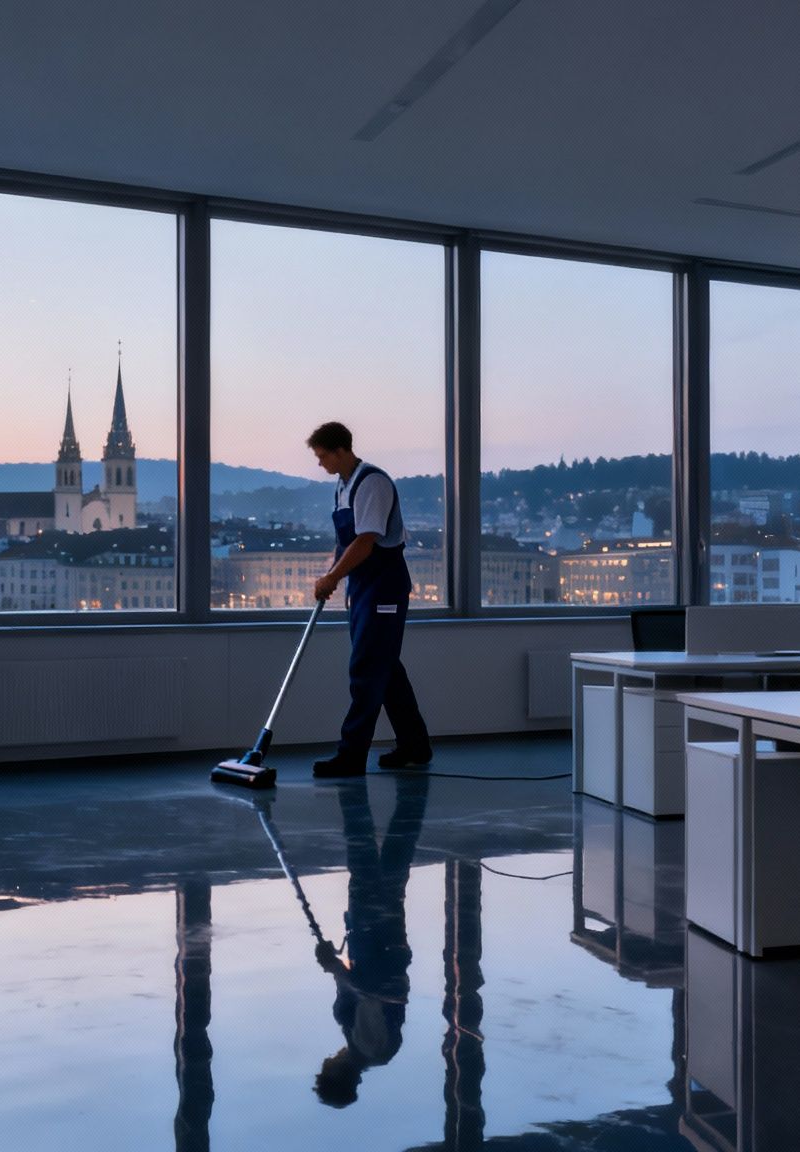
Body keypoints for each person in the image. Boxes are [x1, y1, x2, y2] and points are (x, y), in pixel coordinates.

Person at [307, 422, 432, 777]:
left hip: (385, 585)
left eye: (322, 457)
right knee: (386, 668)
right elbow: (345, 543)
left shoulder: (372, 483)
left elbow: (366, 541)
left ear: (340, 450)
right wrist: (335, 578)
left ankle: (351, 755)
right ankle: (415, 746)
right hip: (362, 587)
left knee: (366, 667)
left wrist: (333, 576)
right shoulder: (342, 487)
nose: (320, 464)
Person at [314, 773, 429, 1107]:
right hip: (375, 933)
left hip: (381, 937)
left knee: (393, 862)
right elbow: (373, 993)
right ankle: (353, 792)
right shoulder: (371, 1049)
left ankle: (412, 795)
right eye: (326, 1069)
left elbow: (365, 991)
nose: (326, 1061)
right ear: (335, 1075)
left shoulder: (367, 1048)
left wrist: (337, 964)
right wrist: (334, 967)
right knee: (365, 856)